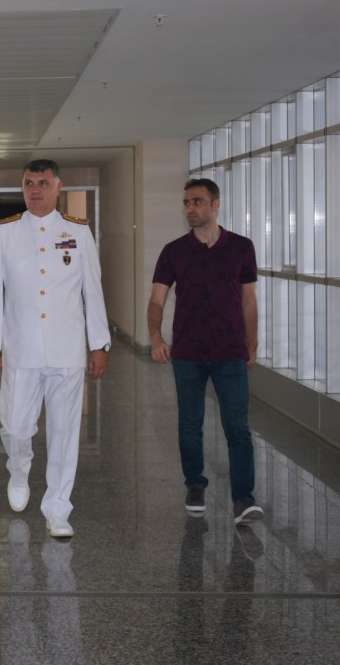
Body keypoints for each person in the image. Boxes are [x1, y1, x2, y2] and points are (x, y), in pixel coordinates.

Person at [0, 159, 110, 539]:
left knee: (65, 432)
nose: (35, 190)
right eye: (29, 183)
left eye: (43, 183)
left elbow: (92, 290)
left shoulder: (77, 231)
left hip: (66, 348)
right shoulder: (5, 232)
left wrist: (99, 343)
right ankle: (19, 470)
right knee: (15, 427)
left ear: (58, 187)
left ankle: (58, 509)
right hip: (20, 348)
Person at [148, 177, 264, 525]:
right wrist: (155, 336)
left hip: (230, 351)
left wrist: (252, 342)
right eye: (186, 203)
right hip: (188, 353)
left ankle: (243, 498)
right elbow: (157, 299)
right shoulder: (174, 251)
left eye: (197, 201)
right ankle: (195, 486)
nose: (190, 208)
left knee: (237, 426)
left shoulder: (241, 247)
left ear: (216, 204)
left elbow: (248, 300)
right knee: (190, 424)